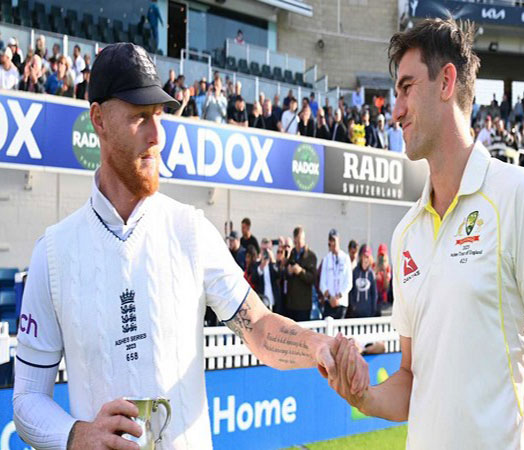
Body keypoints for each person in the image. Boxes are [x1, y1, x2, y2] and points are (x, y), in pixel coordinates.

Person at [12, 43, 367, 450]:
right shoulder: (54, 252)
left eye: (158, 116)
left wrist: (319, 345)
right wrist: (77, 436)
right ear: (99, 119)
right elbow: (26, 400)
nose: (156, 135)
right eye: (139, 117)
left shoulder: (190, 229)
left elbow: (260, 329)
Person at [329, 18, 524, 449]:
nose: (395, 111)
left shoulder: (518, 195)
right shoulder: (405, 234)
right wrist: (365, 395)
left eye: (406, 88)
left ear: (447, 81)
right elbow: (414, 380)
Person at [285, 226, 317, 321]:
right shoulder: (292, 254)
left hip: (303, 305)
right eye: (298, 239)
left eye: (302, 239)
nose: (300, 242)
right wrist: (288, 271)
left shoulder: (311, 256)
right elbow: (284, 275)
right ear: (294, 239)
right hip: (291, 304)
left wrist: (300, 272)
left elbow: (312, 278)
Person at [319, 229, 353, 319]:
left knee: (339, 331)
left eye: (334, 240)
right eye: (331, 241)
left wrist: (338, 297)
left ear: (338, 240)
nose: (333, 243)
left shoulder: (345, 258)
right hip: (329, 302)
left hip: (341, 303)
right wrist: (330, 298)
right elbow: (322, 283)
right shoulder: (326, 259)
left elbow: (349, 283)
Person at [348, 246, 377, 318]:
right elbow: (351, 290)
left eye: (368, 257)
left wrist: (373, 309)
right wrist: (353, 306)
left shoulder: (371, 274)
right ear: (361, 257)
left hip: (368, 313)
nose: (366, 259)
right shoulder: (355, 272)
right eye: (364, 256)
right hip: (356, 313)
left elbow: (374, 293)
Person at [253, 241, 282, 312]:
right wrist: (261, 267)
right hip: (263, 301)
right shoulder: (256, 264)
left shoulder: (274, 263)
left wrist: (273, 261)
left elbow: (280, 275)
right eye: (264, 249)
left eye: (268, 249)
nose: (266, 252)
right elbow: (254, 279)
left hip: (274, 301)